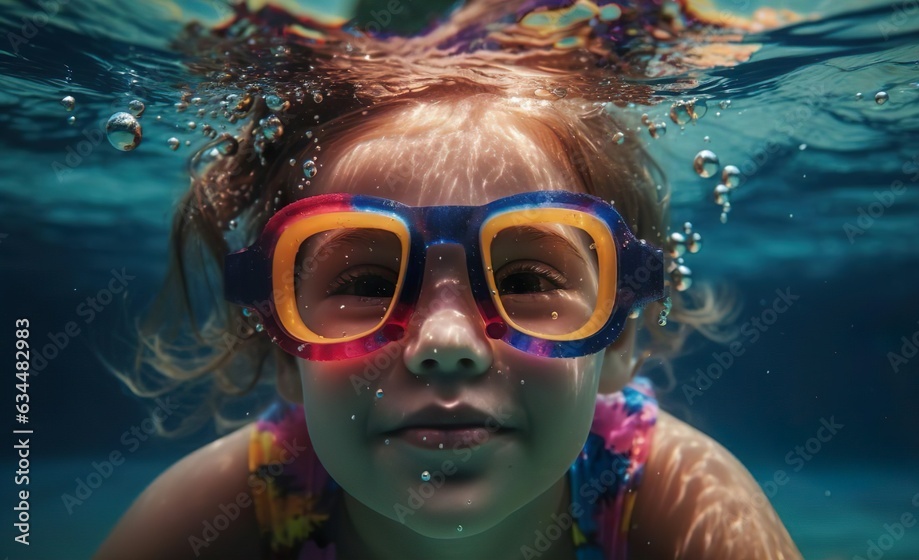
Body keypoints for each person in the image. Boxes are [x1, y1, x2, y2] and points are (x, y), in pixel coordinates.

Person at [97, 1, 803, 558]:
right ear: (284, 349)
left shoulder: (672, 496)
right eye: (367, 285)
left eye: (525, 278)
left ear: (617, 339)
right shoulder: (235, 504)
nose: (444, 343)